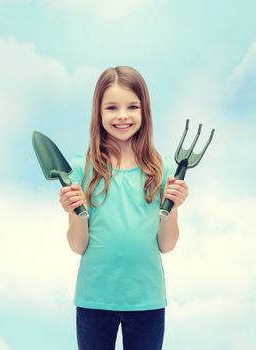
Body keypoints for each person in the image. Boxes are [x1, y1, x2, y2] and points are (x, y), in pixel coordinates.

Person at [59, 66, 188, 350]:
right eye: (111, 107)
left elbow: (166, 245)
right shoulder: (82, 169)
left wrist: (173, 204)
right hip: (94, 298)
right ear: (98, 112)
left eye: (132, 106)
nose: (122, 116)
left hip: (146, 299)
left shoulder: (164, 170)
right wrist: (74, 211)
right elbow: (78, 246)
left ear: (145, 111)